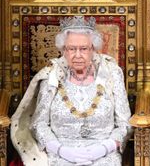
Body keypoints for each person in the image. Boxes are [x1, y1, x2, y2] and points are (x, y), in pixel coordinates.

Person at [10, 16, 132, 166]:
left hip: (104, 155)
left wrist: (103, 149)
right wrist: (61, 150)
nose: (78, 55)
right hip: (60, 154)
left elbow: (125, 124)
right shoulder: (51, 76)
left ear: (93, 49)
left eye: (84, 49)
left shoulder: (112, 74)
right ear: (63, 51)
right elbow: (39, 123)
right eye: (72, 49)